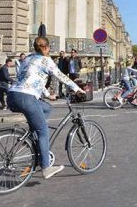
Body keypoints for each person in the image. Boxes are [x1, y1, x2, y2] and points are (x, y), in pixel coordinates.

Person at [7, 37, 85, 180]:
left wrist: (48, 94)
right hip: (26, 97)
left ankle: (34, 138)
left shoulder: (28, 59)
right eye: (49, 47)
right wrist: (77, 89)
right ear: (44, 48)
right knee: (43, 130)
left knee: (47, 108)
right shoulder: (45, 60)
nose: (50, 50)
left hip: (12, 95)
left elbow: (32, 79)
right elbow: (61, 75)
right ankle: (46, 167)